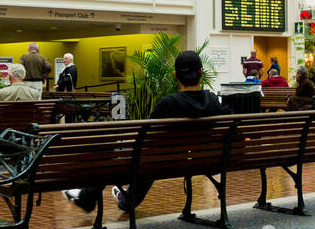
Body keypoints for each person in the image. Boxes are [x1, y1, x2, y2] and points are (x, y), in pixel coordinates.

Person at [64, 50, 229, 213]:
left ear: (175, 75)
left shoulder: (169, 104)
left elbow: (146, 136)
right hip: (199, 161)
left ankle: (87, 199)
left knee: (131, 156)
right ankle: (127, 200)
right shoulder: (213, 101)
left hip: (159, 161)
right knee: (152, 157)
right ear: (201, 73)